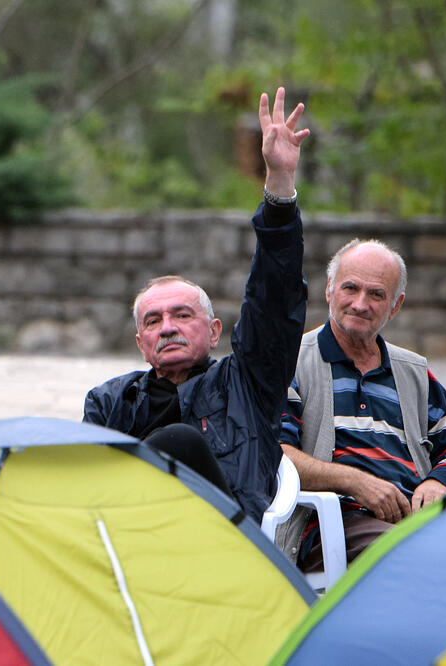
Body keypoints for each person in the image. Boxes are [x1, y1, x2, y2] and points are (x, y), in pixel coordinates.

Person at [83, 87, 310, 520]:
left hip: (223, 542)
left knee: (179, 442)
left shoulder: (246, 382)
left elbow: (273, 301)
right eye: (153, 320)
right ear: (140, 341)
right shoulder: (108, 402)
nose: (167, 327)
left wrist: (279, 189)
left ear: (213, 331)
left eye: (182, 315)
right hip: (131, 542)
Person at [279, 239, 446, 570]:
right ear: (330, 291)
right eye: (350, 288)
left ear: (395, 306)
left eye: (376, 294)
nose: (360, 304)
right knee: (419, 559)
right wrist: (354, 481)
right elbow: (277, 455)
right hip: (331, 525)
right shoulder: (291, 363)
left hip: (417, 523)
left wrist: (438, 481)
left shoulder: (414, 371)